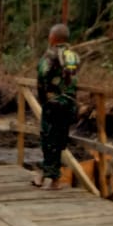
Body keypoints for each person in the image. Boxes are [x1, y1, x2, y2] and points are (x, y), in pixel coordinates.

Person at [32, 23, 80, 190]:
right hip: (70, 103)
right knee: (60, 140)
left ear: (52, 38)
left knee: (48, 140)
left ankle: (50, 177)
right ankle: (52, 179)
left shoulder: (50, 54)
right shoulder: (73, 56)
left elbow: (42, 77)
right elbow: (73, 80)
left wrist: (43, 100)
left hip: (54, 104)